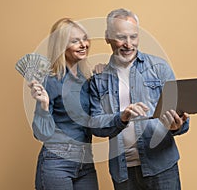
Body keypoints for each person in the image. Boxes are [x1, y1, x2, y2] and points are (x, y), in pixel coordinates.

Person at [28, 18, 147, 190]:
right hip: (57, 162)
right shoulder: (51, 80)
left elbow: (95, 123)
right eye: (75, 41)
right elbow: (40, 134)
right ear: (61, 45)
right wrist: (44, 107)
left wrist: (122, 117)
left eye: (84, 39)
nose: (83, 44)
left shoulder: (88, 78)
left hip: (85, 162)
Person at [89, 8, 190, 190]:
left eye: (133, 37)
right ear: (107, 37)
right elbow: (95, 125)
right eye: (121, 37)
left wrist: (178, 126)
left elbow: (181, 118)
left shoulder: (159, 68)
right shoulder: (99, 78)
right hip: (123, 172)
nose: (129, 44)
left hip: (161, 167)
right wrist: (121, 117)